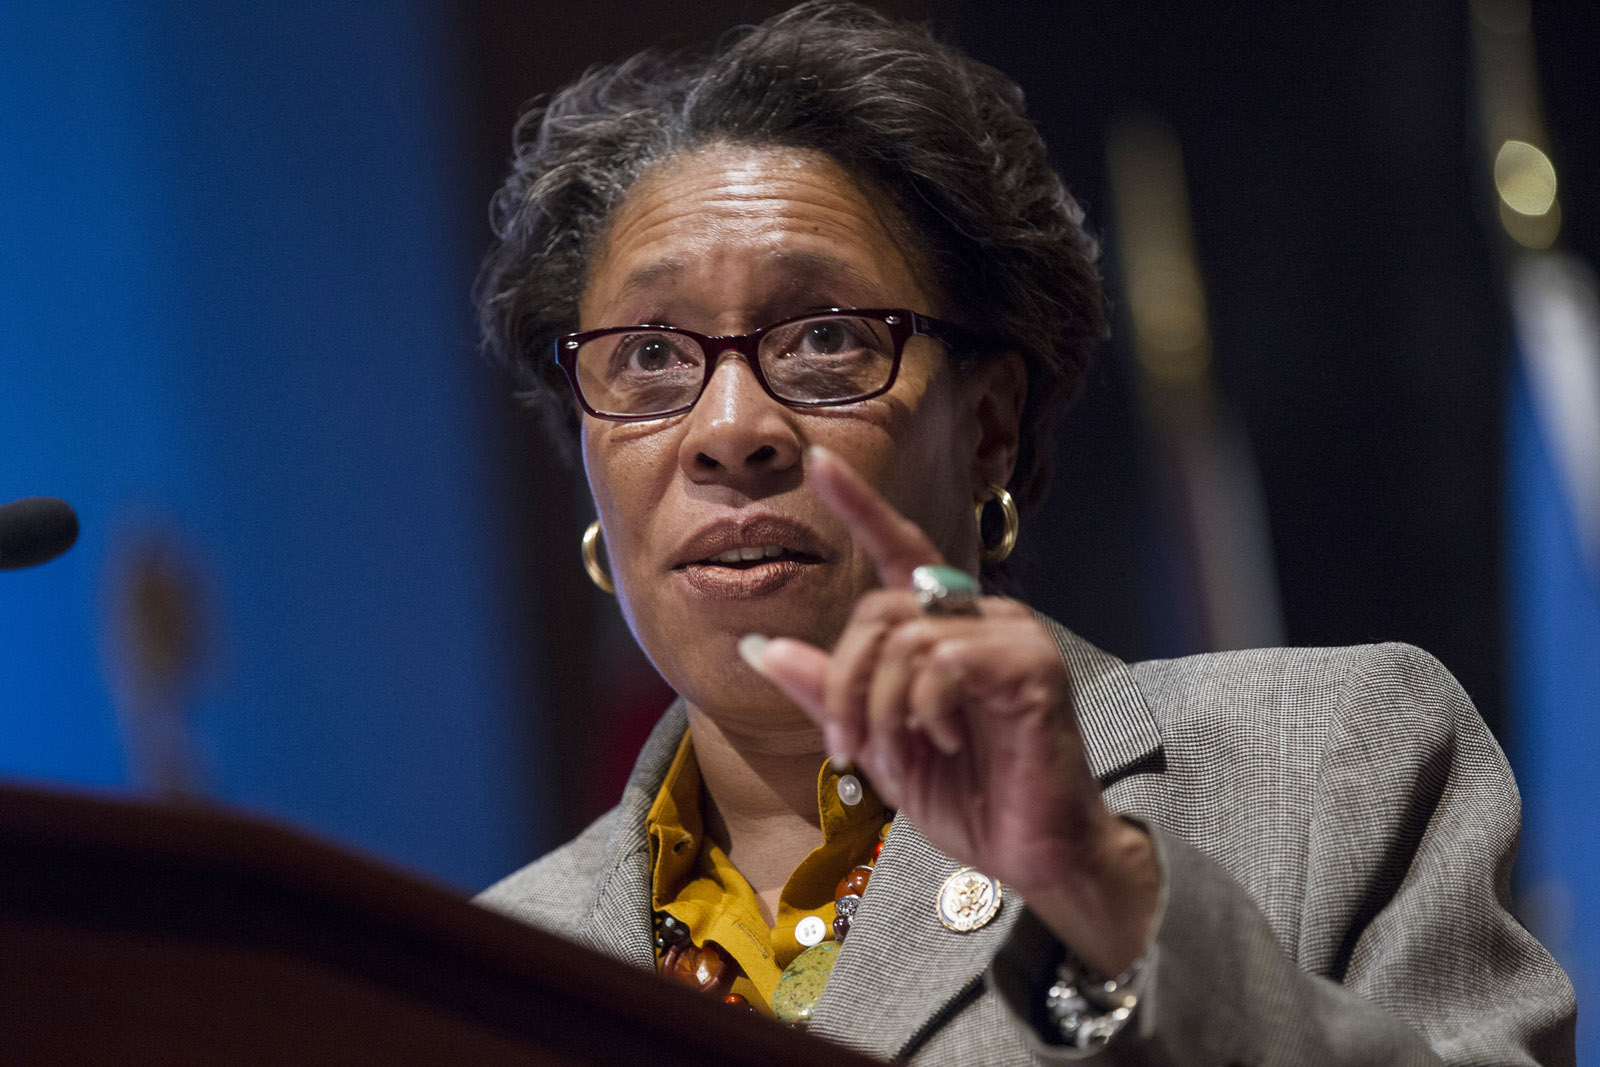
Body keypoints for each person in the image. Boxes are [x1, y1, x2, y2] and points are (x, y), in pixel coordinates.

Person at [473, 4, 1576, 1062]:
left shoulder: (1332, 765)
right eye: (650, 356)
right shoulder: (481, 965)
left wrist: (1103, 892)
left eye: (825, 338)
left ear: (988, 426)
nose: (729, 429)